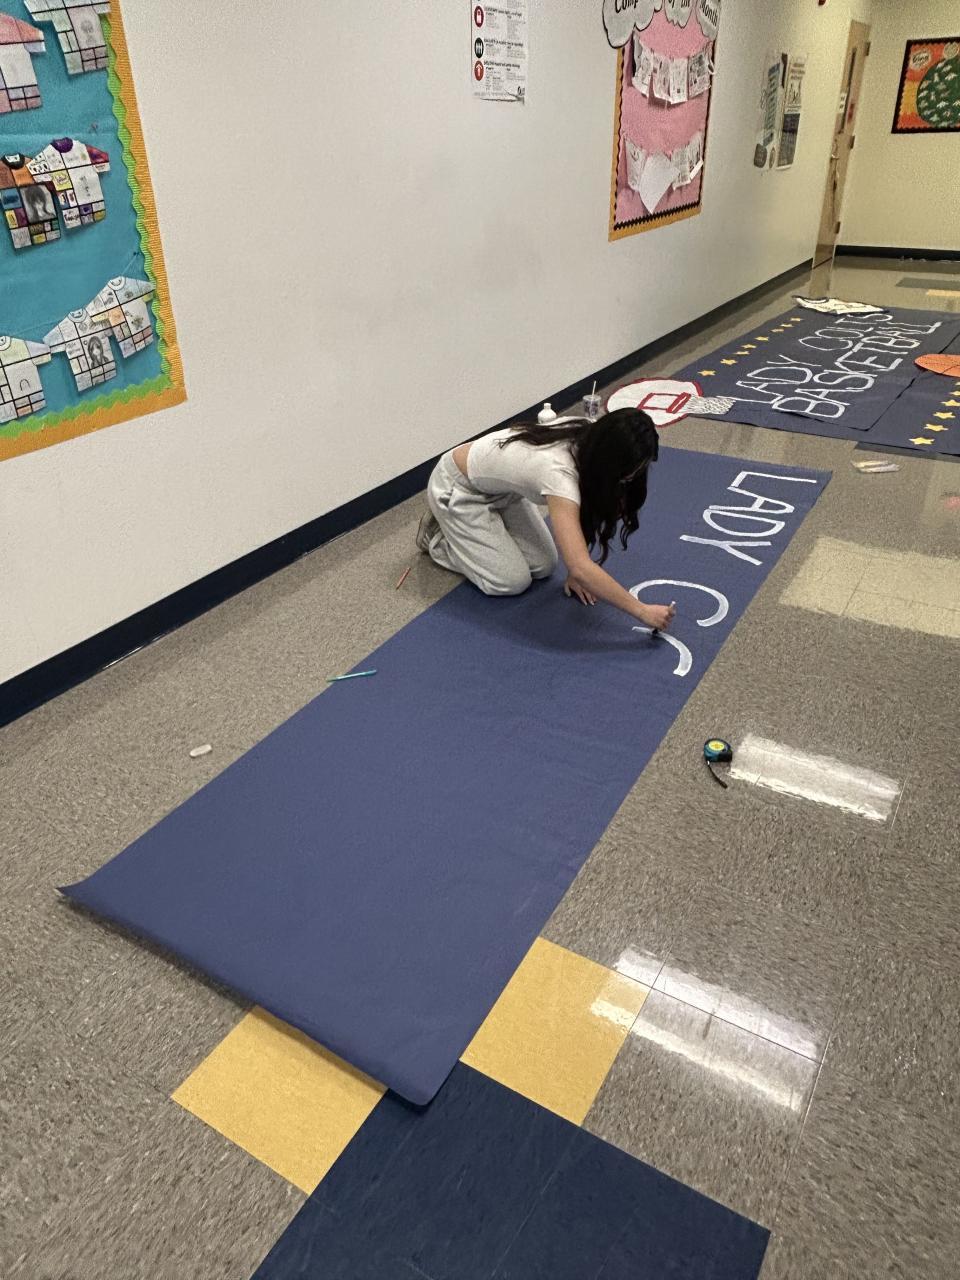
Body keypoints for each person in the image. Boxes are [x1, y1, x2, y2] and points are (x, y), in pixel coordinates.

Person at [416, 408, 676, 632]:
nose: (631, 479)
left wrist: (577, 572)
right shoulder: (558, 475)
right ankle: (438, 538)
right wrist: (641, 610)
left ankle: (480, 533)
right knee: (509, 582)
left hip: (505, 494)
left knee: (544, 565)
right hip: (458, 488)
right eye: (629, 473)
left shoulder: (593, 437)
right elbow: (580, 566)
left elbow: (583, 516)